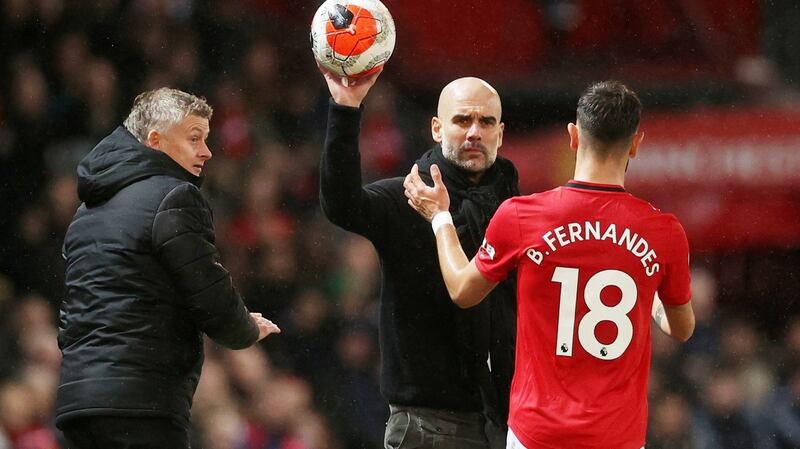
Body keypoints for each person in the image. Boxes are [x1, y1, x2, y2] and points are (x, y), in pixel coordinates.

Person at [404, 80, 696, 449]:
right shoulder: (664, 232)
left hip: (537, 434)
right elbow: (682, 328)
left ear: (573, 136)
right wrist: (652, 302)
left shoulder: (522, 216)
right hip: (617, 437)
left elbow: (463, 291)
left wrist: (440, 218)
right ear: (636, 144)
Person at [55, 88, 281, 449]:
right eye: (194, 138)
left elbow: (71, 312)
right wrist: (245, 329)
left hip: (79, 403)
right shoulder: (174, 195)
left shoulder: (86, 212)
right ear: (155, 140)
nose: (207, 151)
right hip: (142, 403)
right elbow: (209, 293)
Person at [318, 67, 519, 449]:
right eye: (462, 120)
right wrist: (345, 109)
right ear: (437, 129)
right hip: (428, 425)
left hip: (505, 424)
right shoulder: (408, 195)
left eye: (486, 121)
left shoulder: (517, 208)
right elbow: (341, 205)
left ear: (501, 133)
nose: (474, 132)